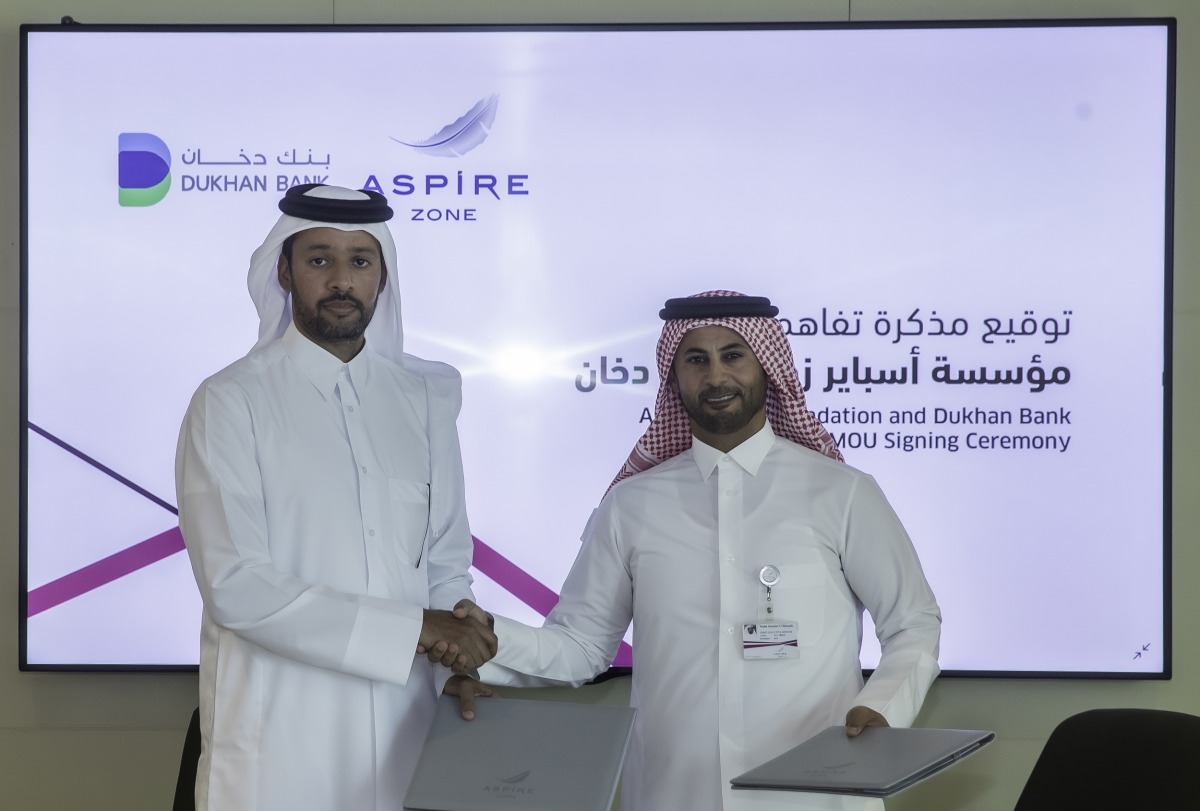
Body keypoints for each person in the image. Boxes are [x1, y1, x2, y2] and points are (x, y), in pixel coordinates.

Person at [470, 290, 942, 811]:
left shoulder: (841, 492)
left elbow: (913, 622)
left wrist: (883, 707)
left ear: (767, 365)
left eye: (733, 355)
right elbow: (581, 646)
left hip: (816, 797)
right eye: (696, 360)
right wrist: (483, 642)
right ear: (675, 379)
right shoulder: (632, 505)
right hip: (676, 794)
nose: (716, 377)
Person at [175, 184, 496, 811]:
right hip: (282, 739)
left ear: (383, 277)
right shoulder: (230, 401)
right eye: (320, 259)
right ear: (286, 273)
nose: (341, 280)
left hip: (409, 731)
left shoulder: (426, 398)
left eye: (361, 261)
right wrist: (415, 629)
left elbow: (444, 561)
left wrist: (460, 651)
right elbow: (237, 584)